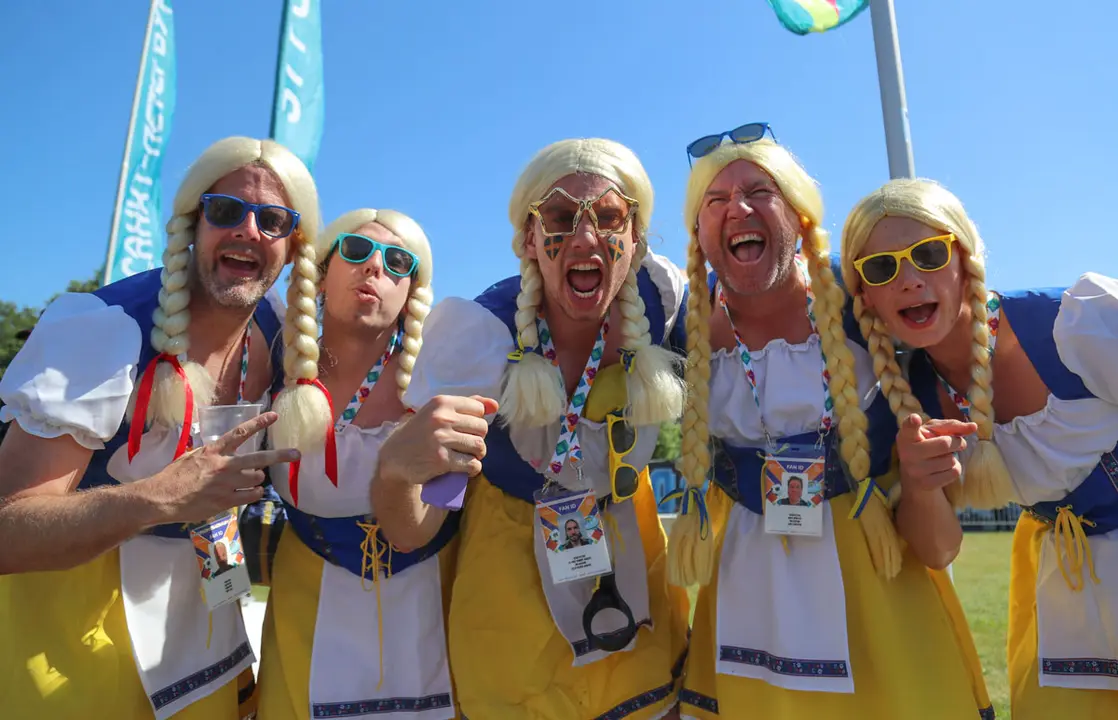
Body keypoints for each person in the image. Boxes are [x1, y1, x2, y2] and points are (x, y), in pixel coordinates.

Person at [669, 129, 993, 719]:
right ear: (699, 234)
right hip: (749, 615)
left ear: (798, 213)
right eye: (714, 201)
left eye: (758, 191)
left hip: (881, 616)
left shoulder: (871, 301)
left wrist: (923, 484)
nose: (737, 208)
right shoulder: (680, 338)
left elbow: (941, 548)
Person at [373, 138, 690, 719]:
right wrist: (395, 472)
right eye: (562, 218)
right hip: (512, 580)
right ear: (528, 239)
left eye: (609, 217)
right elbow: (415, 527)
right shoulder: (480, 339)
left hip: (630, 551)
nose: (585, 238)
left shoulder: (662, 298)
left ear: (636, 235)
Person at [0, 136, 316, 720]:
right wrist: (158, 497)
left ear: (293, 247)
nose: (249, 230)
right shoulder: (105, 330)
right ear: (193, 223)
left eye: (272, 220)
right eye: (226, 211)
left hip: (209, 655)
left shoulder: (281, 336)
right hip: (76, 660)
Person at [841, 177, 1118, 719]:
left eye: (927, 254)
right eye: (882, 268)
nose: (909, 280)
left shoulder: (1074, 323)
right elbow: (940, 551)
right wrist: (920, 487)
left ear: (963, 258)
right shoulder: (908, 398)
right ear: (864, 295)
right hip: (1064, 585)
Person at [254, 208, 457, 719]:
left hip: (427, 629)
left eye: (396, 262)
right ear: (322, 277)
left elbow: (428, 523)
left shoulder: (445, 378)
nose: (375, 269)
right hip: (305, 628)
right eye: (357, 251)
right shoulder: (272, 368)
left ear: (411, 294)